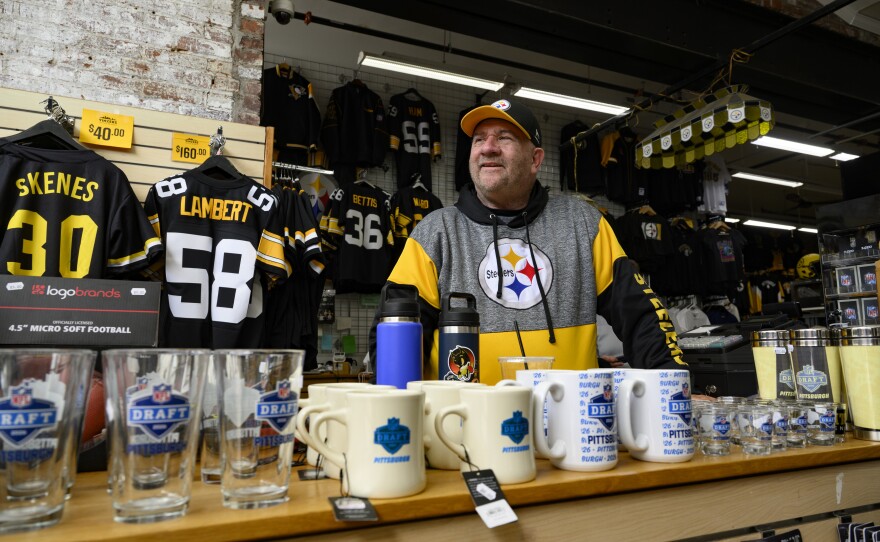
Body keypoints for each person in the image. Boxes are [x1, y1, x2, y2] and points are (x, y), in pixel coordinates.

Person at [369, 99, 686, 384]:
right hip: (463, 430)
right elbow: (392, 336)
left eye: (503, 138)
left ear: (536, 159)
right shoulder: (435, 232)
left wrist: (673, 383)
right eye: (479, 140)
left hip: (570, 428)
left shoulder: (583, 224)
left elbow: (642, 313)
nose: (487, 147)